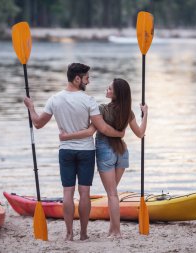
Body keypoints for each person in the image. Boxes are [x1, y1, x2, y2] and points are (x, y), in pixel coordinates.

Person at [23, 63, 124, 241]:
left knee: (67, 192)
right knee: (84, 192)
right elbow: (102, 128)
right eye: (86, 78)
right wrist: (120, 133)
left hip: (66, 152)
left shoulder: (54, 99)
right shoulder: (88, 100)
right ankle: (83, 233)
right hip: (86, 151)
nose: (88, 81)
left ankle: (69, 234)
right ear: (77, 79)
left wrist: (31, 107)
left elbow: (38, 123)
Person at [59, 78, 148, 237]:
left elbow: (89, 132)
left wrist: (66, 136)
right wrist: (146, 114)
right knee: (113, 193)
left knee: (112, 194)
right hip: (122, 153)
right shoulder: (128, 112)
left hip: (105, 152)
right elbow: (140, 133)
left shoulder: (101, 109)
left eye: (109, 88)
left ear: (116, 94)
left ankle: (117, 232)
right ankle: (112, 230)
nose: (106, 90)